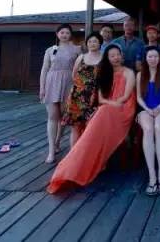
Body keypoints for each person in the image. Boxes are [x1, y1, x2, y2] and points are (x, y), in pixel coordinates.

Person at [47, 45, 136, 193]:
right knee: (96, 119)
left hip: (124, 108)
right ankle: (77, 165)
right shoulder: (105, 73)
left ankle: (87, 161)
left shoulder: (129, 72)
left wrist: (111, 104)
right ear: (107, 58)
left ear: (122, 56)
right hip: (107, 107)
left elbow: (125, 97)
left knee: (100, 115)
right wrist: (109, 104)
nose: (115, 58)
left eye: (117, 54)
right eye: (112, 55)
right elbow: (101, 98)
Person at [39, 24, 82, 163]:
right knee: (52, 116)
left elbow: (80, 68)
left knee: (63, 117)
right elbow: (44, 69)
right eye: (62, 32)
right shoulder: (50, 50)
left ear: (71, 35)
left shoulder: (77, 49)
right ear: (57, 34)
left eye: (67, 32)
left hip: (69, 82)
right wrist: (42, 88)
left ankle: (58, 141)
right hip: (51, 83)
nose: (64, 35)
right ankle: (51, 151)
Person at [136, 46, 160, 196]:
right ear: (146, 58)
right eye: (150, 56)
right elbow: (138, 97)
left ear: (159, 58)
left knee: (158, 127)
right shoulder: (140, 75)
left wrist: (158, 107)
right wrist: (147, 109)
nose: (153, 59)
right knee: (148, 129)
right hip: (145, 109)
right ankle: (152, 177)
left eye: (155, 56)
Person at [61, 32, 103, 149]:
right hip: (77, 95)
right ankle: (73, 154)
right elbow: (74, 75)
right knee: (75, 127)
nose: (92, 44)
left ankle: (86, 154)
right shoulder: (81, 57)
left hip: (94, 96)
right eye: (90, 41)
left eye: (95, 41)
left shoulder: (104, 59)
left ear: (100, 43)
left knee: (91, 127)